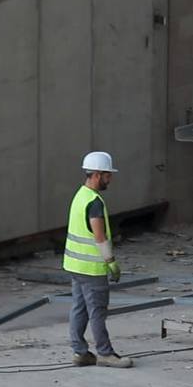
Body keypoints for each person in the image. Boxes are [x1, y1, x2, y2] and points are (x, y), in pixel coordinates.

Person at [61, 151, 133, 368]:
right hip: (92, 269)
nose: (110, 179)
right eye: (108, 175)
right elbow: (99, 236)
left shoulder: (79, 195)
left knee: (79, 308)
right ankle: (105, 354)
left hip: (74, 265)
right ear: (98, 175)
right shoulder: (94, 202)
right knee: (97, 312)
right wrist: (111, 261)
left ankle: (80, 352)